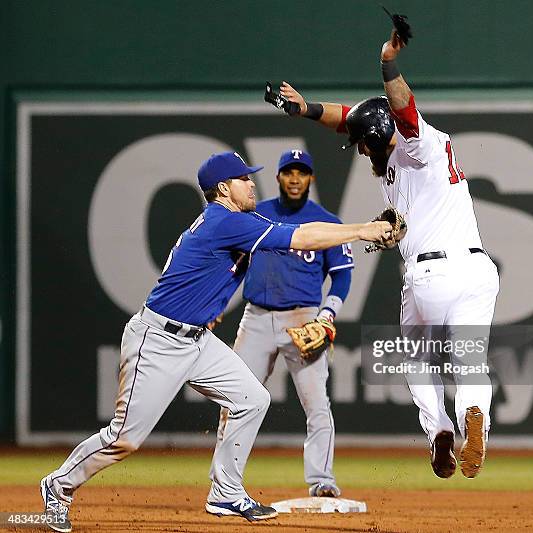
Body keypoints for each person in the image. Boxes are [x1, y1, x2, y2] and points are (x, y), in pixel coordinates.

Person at [39, 151, 393, 532]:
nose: (252, 182)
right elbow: (301, 236)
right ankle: (58, 486)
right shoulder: (225, 221)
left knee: (252, 399)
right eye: (244, 179)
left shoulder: (241, 219)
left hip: (197, 340)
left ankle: (225, 491)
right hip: (158, 340)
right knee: (125, 438)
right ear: (224, 189)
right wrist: (364, 230)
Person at [276, 25, 499, 479]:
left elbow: (403, 108)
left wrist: (387, 64)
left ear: (374, 139)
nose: (357, 148)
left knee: (415, 355)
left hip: (431, 275)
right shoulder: (400, 152)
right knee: (470, 357)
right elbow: (354, 117)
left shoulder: (419, 146)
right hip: (478, 270)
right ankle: (472, 417)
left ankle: (437, 428)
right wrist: (307, 110)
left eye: (360, 143)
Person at [216, 149, 352, 498]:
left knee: (316, 403)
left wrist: (327, 315)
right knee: (235, 400)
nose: (294, 179)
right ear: (277, 177)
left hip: (303, 317)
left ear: (310, 178)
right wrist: (217, 304)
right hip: (256, 317)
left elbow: (341, 277)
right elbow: (234, 266)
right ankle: (225, 484)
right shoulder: (256, 215)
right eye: (288, 172)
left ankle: (322, 480)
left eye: (301, 173)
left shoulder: (327, 222)